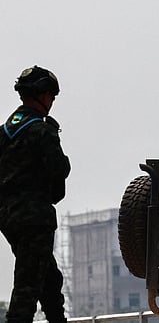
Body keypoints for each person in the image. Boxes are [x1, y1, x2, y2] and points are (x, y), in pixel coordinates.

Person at [0, 66, 70, 323]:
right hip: (34, 218)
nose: (51, 102)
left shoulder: (4, 132)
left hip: (9, 218)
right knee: (27, 288)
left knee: (49, 279)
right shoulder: (41, 130)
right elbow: (59, 169)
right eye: (51, 96)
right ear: (42, 94)